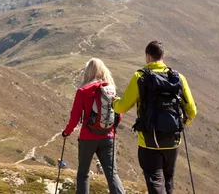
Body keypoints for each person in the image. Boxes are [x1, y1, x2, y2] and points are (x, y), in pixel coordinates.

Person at [113, 41, 197, 194]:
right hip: (172, 141)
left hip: (149, 142)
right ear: (163, 57)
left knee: (155, 184)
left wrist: (114, 103)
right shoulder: (178, 78)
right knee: (168, 182)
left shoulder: (140, 77)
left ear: (148, 57)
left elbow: (122, 107)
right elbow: (192, 110)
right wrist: (181, 124)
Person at [62, 58, 125, 194]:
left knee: (83, 173)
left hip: (87, 137)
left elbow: (74, 117)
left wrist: (66, 132)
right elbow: (118, 114)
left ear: (88, 72)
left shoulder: (83, 91)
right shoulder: (110, 89)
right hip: (107, 136)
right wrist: (111, 129)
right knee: (112, 173)